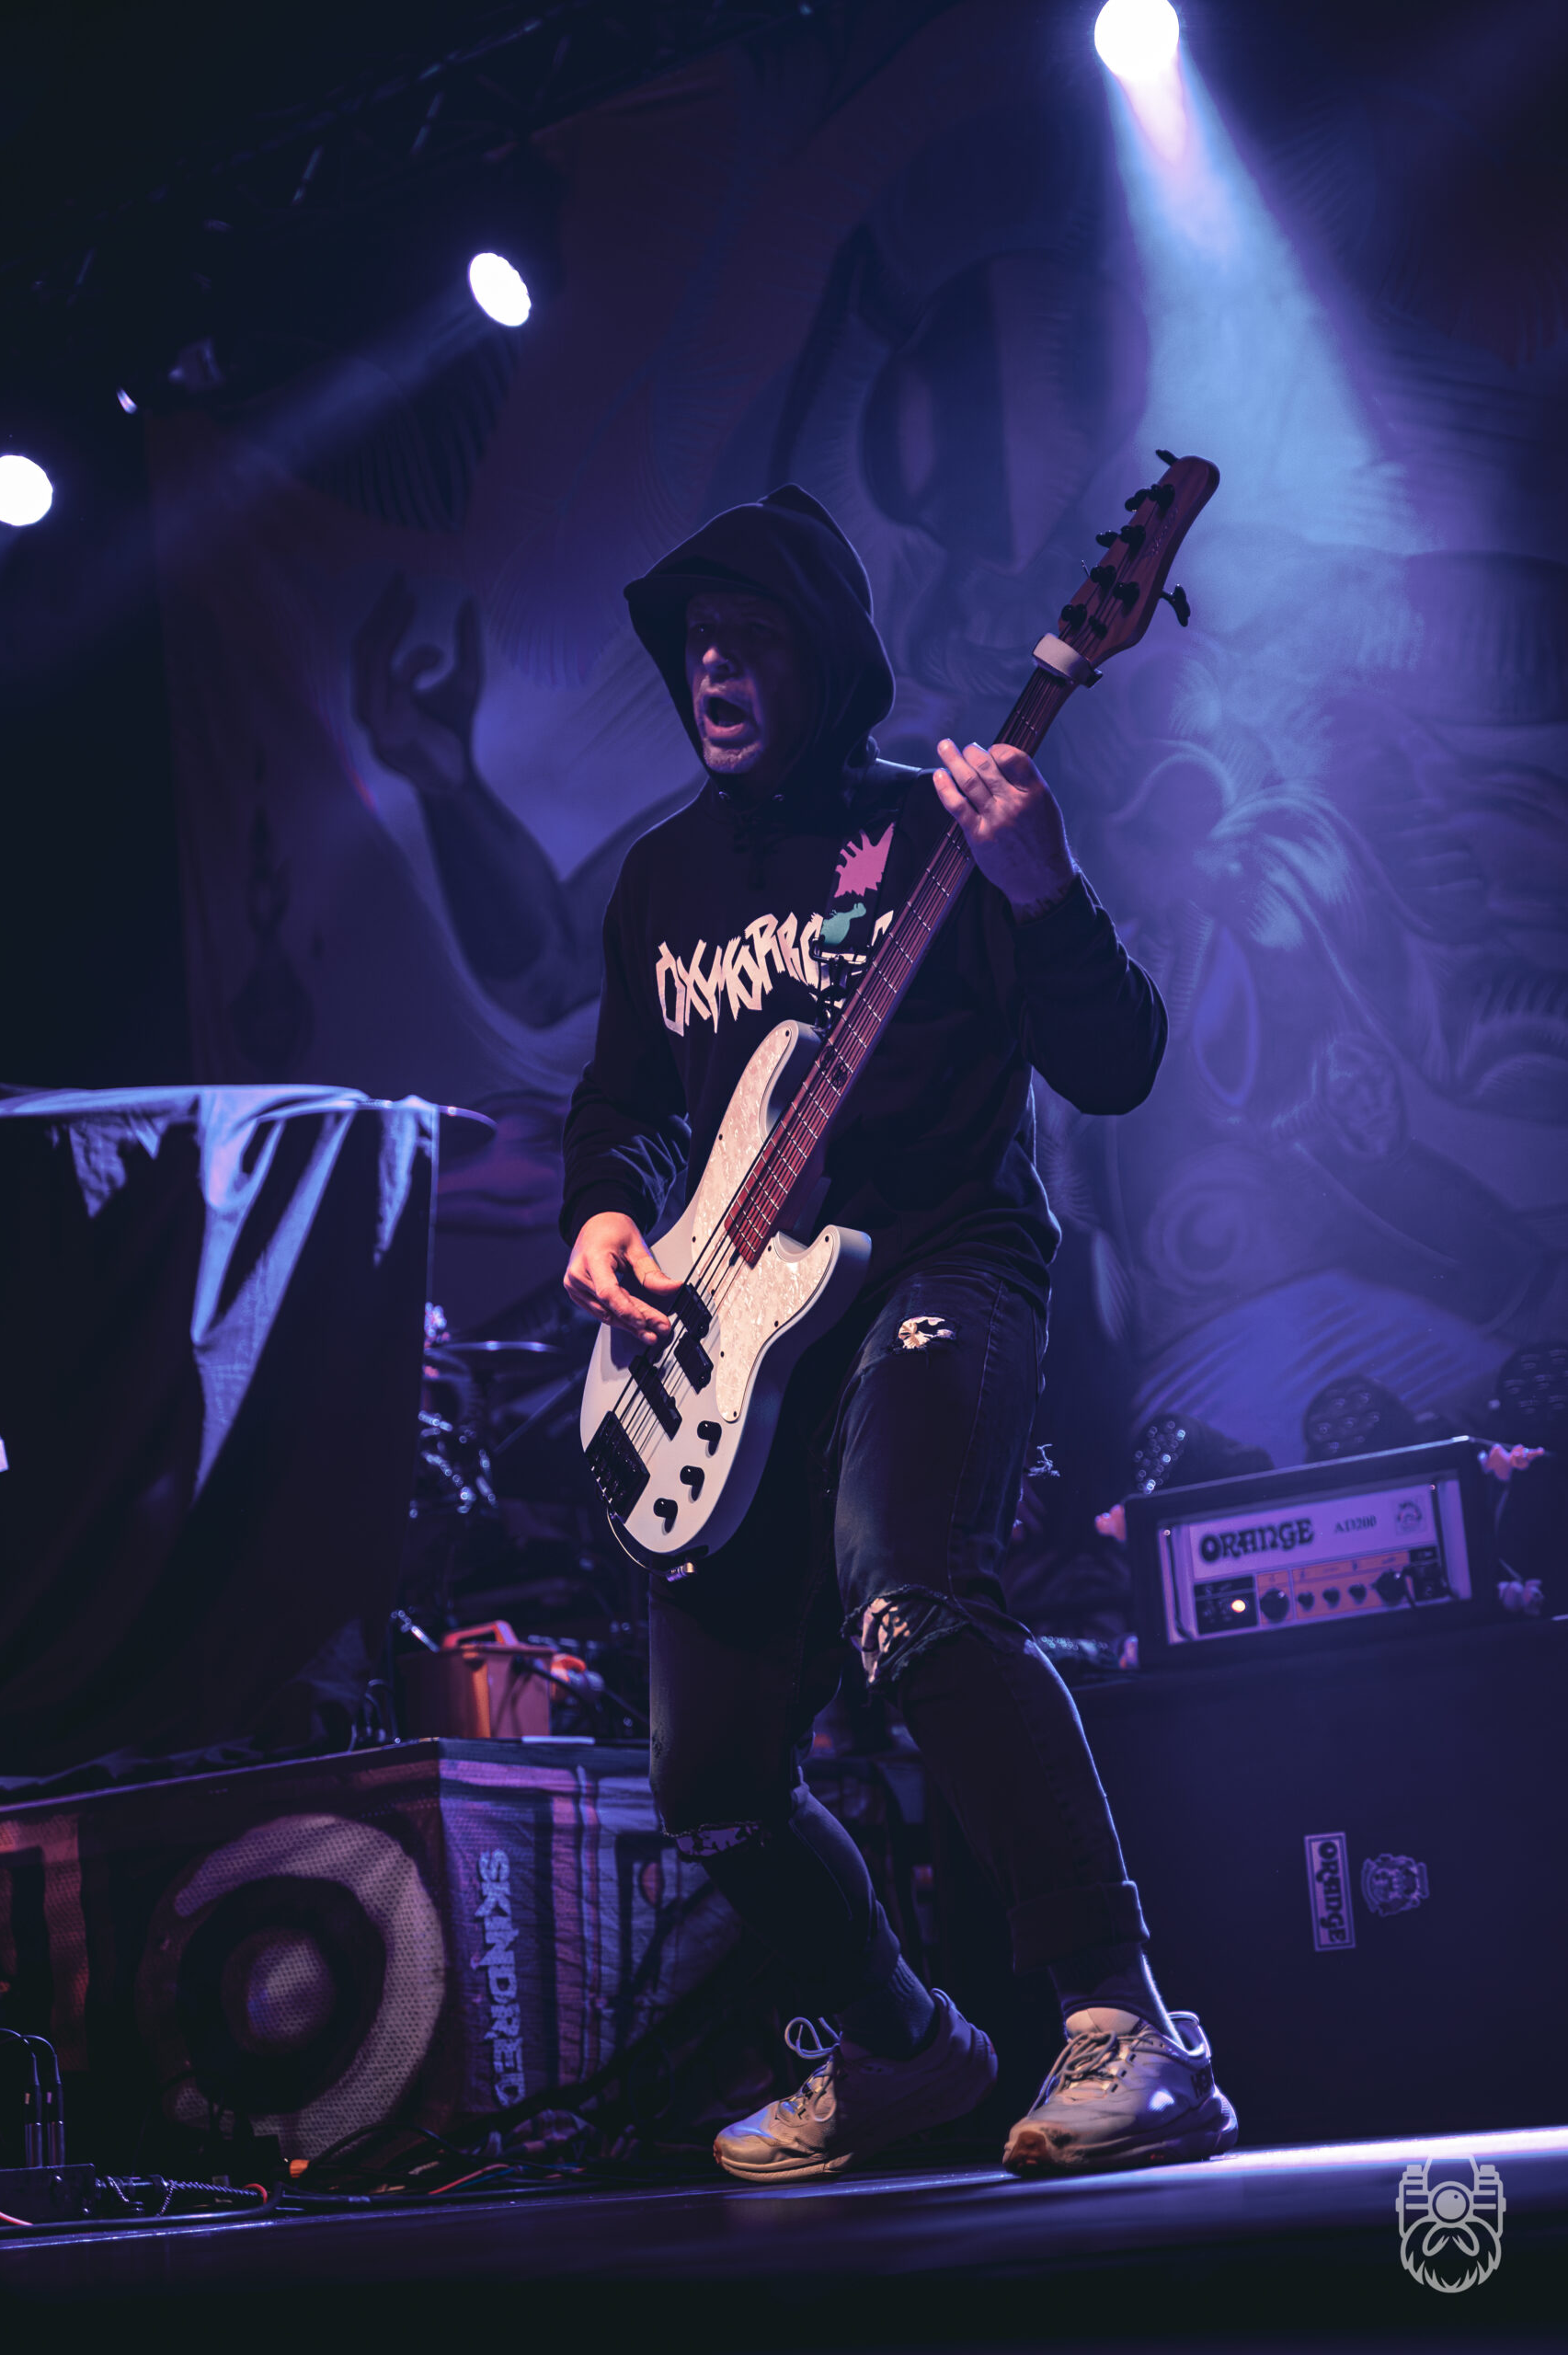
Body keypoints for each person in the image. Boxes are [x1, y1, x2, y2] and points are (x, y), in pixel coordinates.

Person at [560, 485, 1236, 2180]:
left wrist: (1045, 891)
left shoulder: (938, 829)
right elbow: (625, 1110)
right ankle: (900, 2044)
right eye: (695, 645)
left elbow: (1119, 1065)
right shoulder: (658, 881)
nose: (713, 670)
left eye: (750, 638)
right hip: (735, 1338)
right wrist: (604, 1216)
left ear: (827, 658)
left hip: (940, 1266)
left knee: (912, 1600)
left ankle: (1128, 2021)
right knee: (709, 1779)